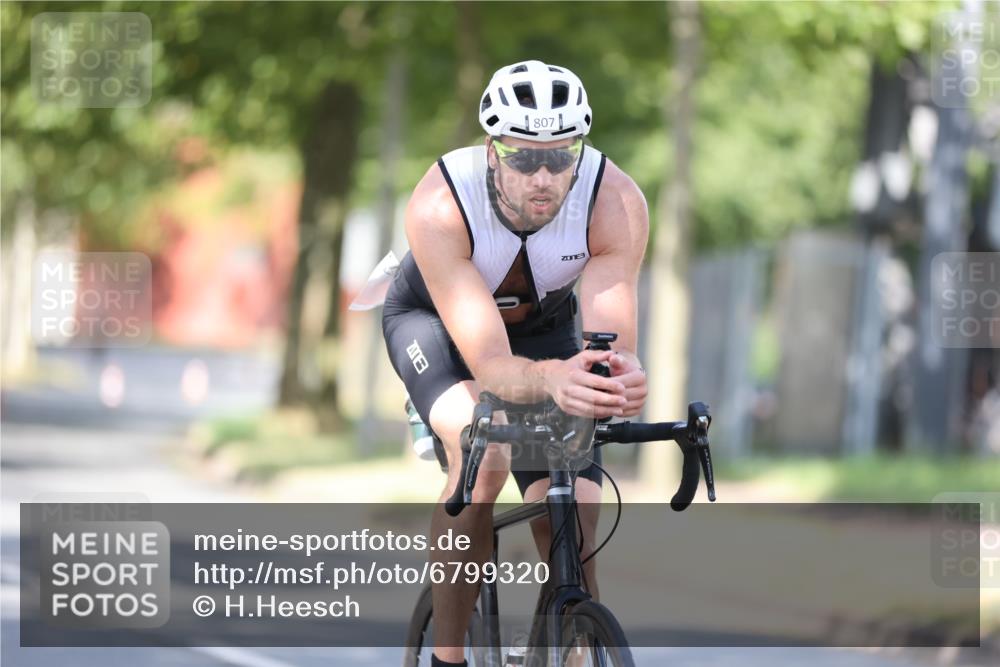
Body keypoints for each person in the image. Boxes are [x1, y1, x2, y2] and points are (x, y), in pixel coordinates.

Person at [381, 60, 649, 667]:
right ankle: (449, 657)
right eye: (524, 157)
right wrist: (554, 379)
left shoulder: (616, 201)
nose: (545, 176)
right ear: (491, 150)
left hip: (545, 331)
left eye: (562, 156)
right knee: (485, 458)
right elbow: (494, 363)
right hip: (440, 330)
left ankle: (575, 647)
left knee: (576, 505)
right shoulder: (440, 203)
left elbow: (612, 346)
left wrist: (623, 381)